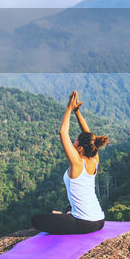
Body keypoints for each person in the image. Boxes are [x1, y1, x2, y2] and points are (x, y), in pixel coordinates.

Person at [31, 90, 109, 235]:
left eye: (75, 141)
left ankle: (66, 216)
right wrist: (77, 112)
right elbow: (89, 136)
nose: (73, 143)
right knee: (69, 207)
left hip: (84, 223)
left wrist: (69, 108)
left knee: (36, 220)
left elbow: (63, 133)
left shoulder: (77, 163)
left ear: (80, 148)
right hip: (100, 220)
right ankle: (67, 214)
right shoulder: (94, 160)